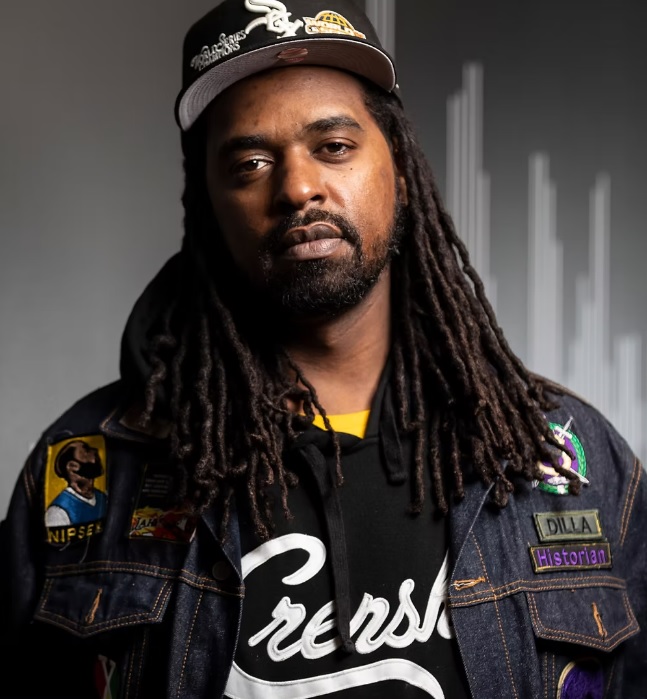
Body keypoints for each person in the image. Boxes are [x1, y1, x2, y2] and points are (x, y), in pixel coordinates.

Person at [1, 0, 645, 697]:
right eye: (250, 163)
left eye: (333, 146)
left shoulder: (572, 458)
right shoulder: (85, 469)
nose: (298, 187)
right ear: (209, 205)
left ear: (400, 168)